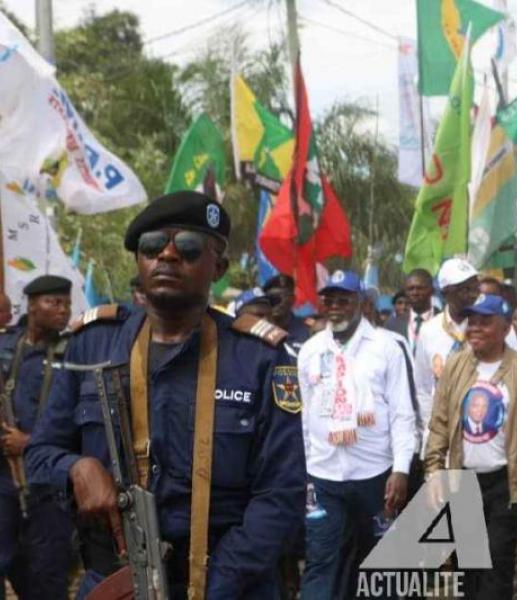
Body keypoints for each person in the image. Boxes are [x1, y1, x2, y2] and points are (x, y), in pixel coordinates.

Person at [25, 191, 306, 599]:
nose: (168, 256)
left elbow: (281, 493)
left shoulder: (259, 358)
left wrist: (214, 585)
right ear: (140, 261)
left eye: (189, 247)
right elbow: (39, 454)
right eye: (153, 245)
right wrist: (76, 468)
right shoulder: (93, 346)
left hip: (230, 583)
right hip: (116, 581)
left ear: (219, 267)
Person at [425, 293, 517, 599]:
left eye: (485, 322)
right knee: (467, 568)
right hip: (463, 480)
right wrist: (433, 470)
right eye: (472, 322)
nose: (475, 328)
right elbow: (440, 424)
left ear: (504, 327)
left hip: (507, 483)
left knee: (496, 565)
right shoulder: (455, 367)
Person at [297, 270, 416, 599]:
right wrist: (306, 472)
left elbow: (402, 413)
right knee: (322, 562)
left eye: (344, 300)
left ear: (361, 303)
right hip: (323, 477)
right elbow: (305, 417)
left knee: (385, 567)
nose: (335, 307)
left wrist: (401, 469)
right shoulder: (310, 351)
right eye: (329, 300)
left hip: (375, 477)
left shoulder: (386, 347)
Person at [0, 276, 73, 600]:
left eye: (66, 303)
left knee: (47, 573)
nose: (63, 310)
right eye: (54, 302)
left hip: (48, 486)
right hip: (5, 481)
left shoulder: (72, 352)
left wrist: (28, 442)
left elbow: (80, 423)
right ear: (31, 306)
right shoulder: (7, 345)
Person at [415, 258, 517, 458]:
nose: (473, 294)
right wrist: (433, 432)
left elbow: (516, 379)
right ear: (446, 292)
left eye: (474, 287)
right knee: (455, 489)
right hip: (447, 443)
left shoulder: (499, 327)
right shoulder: (429, 331)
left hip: (491, 438)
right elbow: (424, 389)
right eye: (464, 289)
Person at [385, 268, 437, 351]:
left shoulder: (444, 321)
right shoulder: (393, 325)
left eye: (420, 288)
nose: (415, 293)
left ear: (432, 290)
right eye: (410, 289)